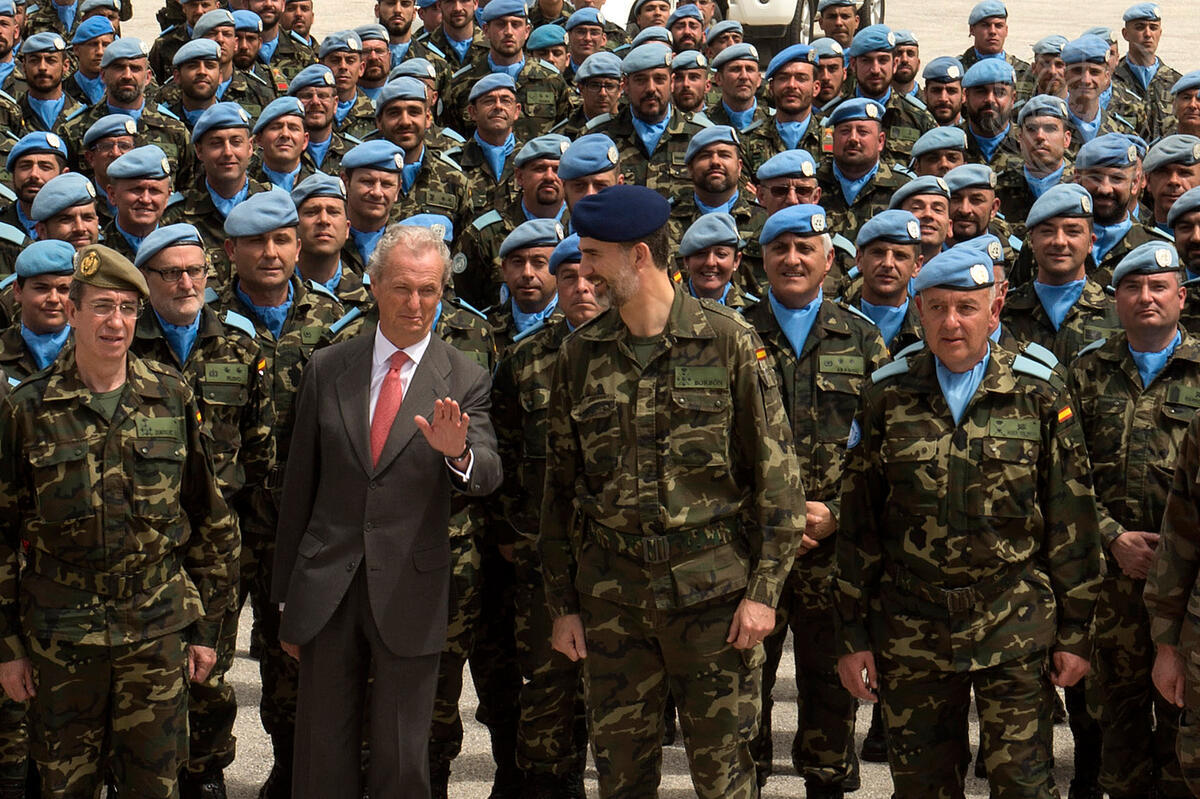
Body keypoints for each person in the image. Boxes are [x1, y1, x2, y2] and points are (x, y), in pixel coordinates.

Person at [539, 184, 804, 799]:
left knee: (724, 778)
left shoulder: (729, 341)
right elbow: (558, 493)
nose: (583, 272)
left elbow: (778, 483)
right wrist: (563, 605)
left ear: (638, 255)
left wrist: (764, 595)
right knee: (620, 778)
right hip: (612, 602)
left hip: (714, 602)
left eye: (594, 255)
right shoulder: (580, 354)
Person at [835, 243, 1103, 799]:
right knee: (921, 786)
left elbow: (1071, 518)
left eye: (966, 307)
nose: (951, 322)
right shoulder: (887, 394)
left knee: (1023, 784)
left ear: (995, 307)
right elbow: (860, 523)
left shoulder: (1038, 391)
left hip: (1012, 618)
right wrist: (853, 634)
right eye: (937, 308)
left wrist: (1077, 632)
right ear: (919, 310)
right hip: (912, 624)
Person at [0, 243, 238, 798]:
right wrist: (9, 647)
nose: (116, 322)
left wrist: (208, 632)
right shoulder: (27, 407)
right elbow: (3, 533)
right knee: (65, 788)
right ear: (73, 312)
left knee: (154, 786)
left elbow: (210, 520)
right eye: (102, 306)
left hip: (155, 631)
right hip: (62, 635)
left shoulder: (170, 394)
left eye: (128, 308)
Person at [272, 222, 500, 798]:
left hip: (409, 589)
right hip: (328, 585)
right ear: (373, 286)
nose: (415, 304)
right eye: (402, 288)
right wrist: (286, 598)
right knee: (322, 755)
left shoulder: (464, 376)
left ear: (443, 292)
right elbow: (299, 486)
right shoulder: (328, 367)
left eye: (428, 290)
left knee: (402, 758)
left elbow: (489, 473)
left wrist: (459, 455)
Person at [744, 204, 888, 795]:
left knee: (831, 687)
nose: (793, 259)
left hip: (833, 550)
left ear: (829, 261)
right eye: (780, 249)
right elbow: (709, 448)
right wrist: (771, 517)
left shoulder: (863, 337)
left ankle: (826, 782)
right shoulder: (733, 335)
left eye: (805, 248)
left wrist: (837, 515)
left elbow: (883, 447)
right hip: (753, 549)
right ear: (763, 260)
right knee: (744, 686)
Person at [130, 223, 275, 799]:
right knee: (143, 667)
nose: (186, 283)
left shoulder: (240, 347)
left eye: (195, 271)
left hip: (218, 539)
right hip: (147, 538)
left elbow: (260, 453)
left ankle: (207, 771)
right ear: (146, 280)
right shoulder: (125, 345)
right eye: (171, 273)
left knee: (209, 665)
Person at [215, 189, 344, 799]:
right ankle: (202, 774)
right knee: (205, 658)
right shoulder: (204, 323)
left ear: (297, 246)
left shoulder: (336, 321)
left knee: (294, 660)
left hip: (301, 523)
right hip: (224, 525)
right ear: (230, 250)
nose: (269, 253)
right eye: (255, 242)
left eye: (281, 240)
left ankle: (292, 772)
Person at [1068, 240, 1196, 799]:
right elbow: (1063, 476)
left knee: (1183, 722)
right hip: (1109, 585)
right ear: (1115, 299)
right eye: (1132, 287)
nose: (1146, 297)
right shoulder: (1086, 371)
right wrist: (1112, 537)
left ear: (1181, 297)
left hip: (1187, 589)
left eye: (1158, 286)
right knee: (1114, 725)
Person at [490, 233, 608, 798]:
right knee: (545, 685)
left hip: (620, 559)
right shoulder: (524, 358)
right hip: (543, 558)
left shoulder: (642, 349)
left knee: (615, 691)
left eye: (592, 277)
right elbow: (502, 454)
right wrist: (514, 534)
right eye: (569, 278)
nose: (582, 288)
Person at [1002, 183, 1120, 362]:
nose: (1059, 241)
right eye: (1047, 231)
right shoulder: (1004, 312)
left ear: (1091, 242)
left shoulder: (1119, 313)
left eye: (1072, 232)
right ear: (1032, 240)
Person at [590, 42, 711, 199]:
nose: (651, 88)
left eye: (659, 79)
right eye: (641, 80)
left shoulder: (701, 137)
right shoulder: (599, 137)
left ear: (672, 83)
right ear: (625, 85)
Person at [815, 98, 912, 241]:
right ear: (833, 138)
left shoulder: (903, 188)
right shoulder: (812, 183)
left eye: (862, 132)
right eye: (845, 131)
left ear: (880, 141)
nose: (853, 139)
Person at [100, 144, 174, 263]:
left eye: (154, 191)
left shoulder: (181, 247)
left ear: (167, 197)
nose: (146, 199)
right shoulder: (97, 250)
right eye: (136, 190)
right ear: (112, 195)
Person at [1143, 135, 1200, 234]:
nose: (1174, 181)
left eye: (1184, 173)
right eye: (1163, 172)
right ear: (1148, 181)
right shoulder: (1132, 236)